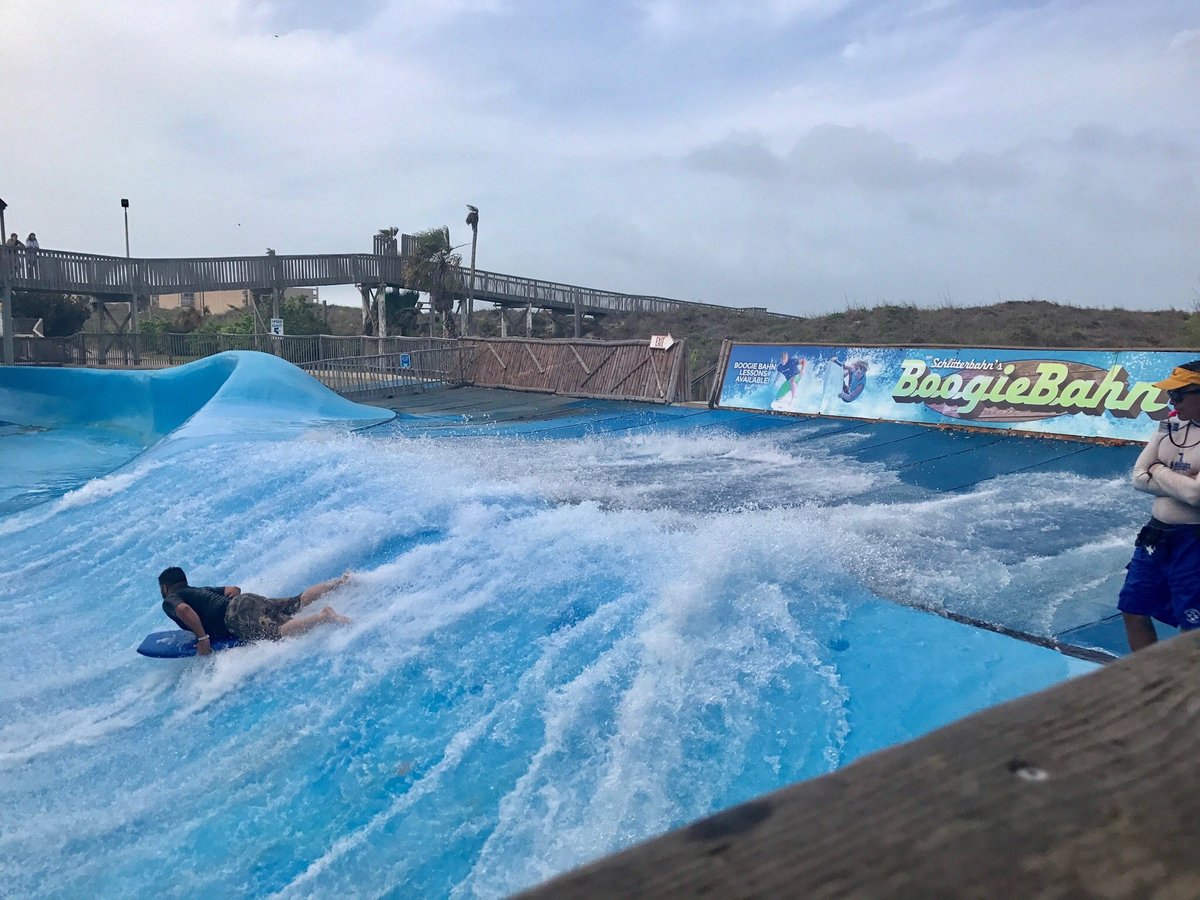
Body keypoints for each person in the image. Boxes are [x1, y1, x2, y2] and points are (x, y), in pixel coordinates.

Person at [1119, 360, 1200, 651]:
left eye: (1178, 395)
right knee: (1133, 607)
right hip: (1156, 536)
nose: (1171, 401)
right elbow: (1138, 478)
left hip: (1194, 541)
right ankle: (1148, 682)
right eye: (1170, 394)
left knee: (1193, 626)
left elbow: (1195, 496)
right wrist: (1180, 479)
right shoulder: (1170, 424)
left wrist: (1160, 470)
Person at [158, 566, 352, 655]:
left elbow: (183, 610)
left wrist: (202, 639)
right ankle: (341, 582)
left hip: (235, 615)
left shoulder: (170, 600)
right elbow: (234, 590)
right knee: (296, 601)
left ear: (165, 588)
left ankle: (323, 616)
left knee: (279, 632)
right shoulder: (199, 590)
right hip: (246, 600)